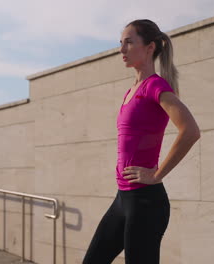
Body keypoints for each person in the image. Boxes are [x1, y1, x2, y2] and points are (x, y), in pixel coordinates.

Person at [83, 19, 200, 264]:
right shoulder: (132, 90)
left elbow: (190, 131)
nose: (122, 50)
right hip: (122, 200)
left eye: (129, 42)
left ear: (150, 47)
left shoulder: (155, 86)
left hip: (146, 202)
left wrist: (156, 174)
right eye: (120, 43)